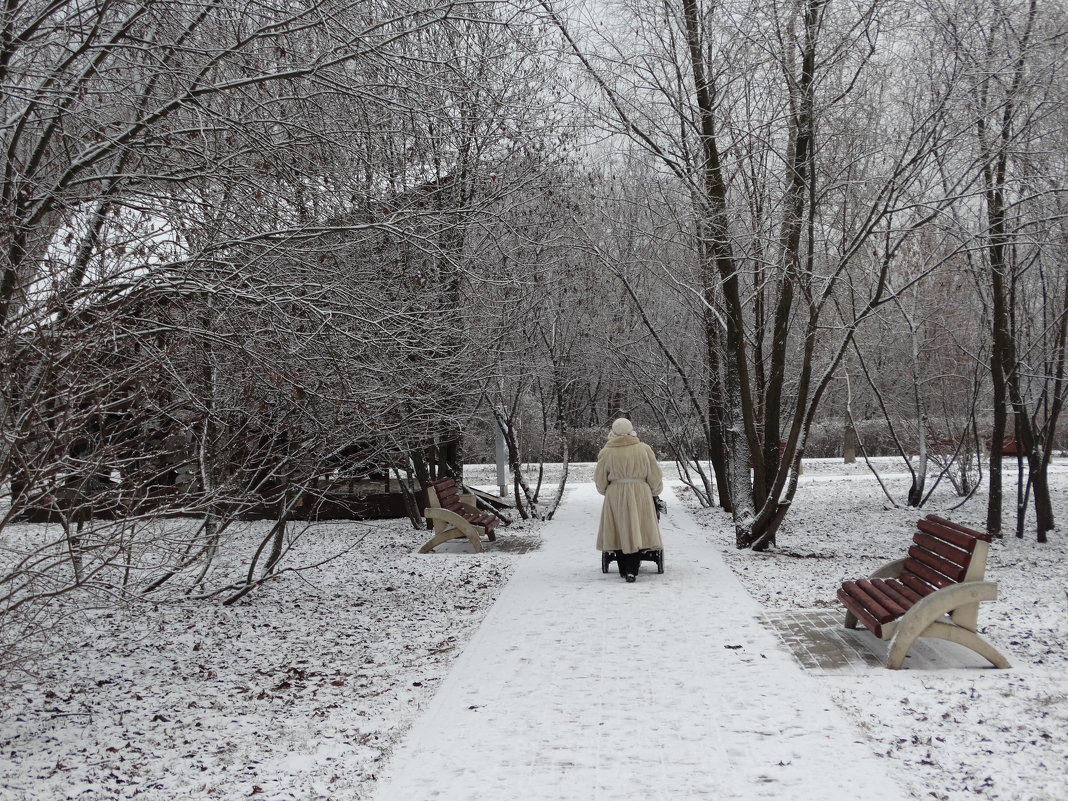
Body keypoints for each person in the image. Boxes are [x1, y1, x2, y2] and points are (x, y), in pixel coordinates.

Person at [594, 418, 663, 582]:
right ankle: (633, 569)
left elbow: (600, 479)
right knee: (637, 527)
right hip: (640, 492)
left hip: (615, 493)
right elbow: (654, 474)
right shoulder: (644, 449)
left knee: (618, 529)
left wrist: (606, 490)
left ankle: (624, 569)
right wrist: (654, 490)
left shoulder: (607, 451)